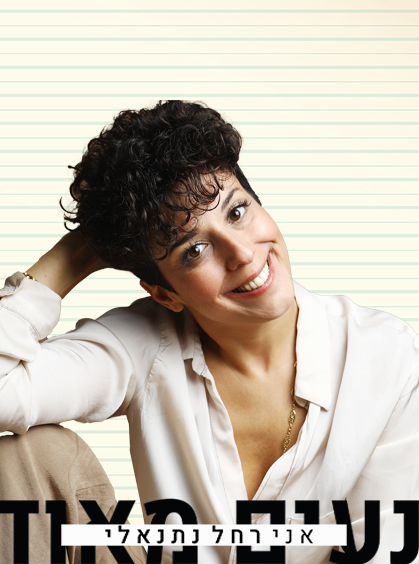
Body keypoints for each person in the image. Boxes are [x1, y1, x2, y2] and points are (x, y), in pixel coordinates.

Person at [0, 100, 418, 564]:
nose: (242, 253)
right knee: (26, 454)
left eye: (237, 212)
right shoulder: (143, 344)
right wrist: (72, 257)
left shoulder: (384, 355)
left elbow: (385, 548)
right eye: (194, 250)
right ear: (165, 294)